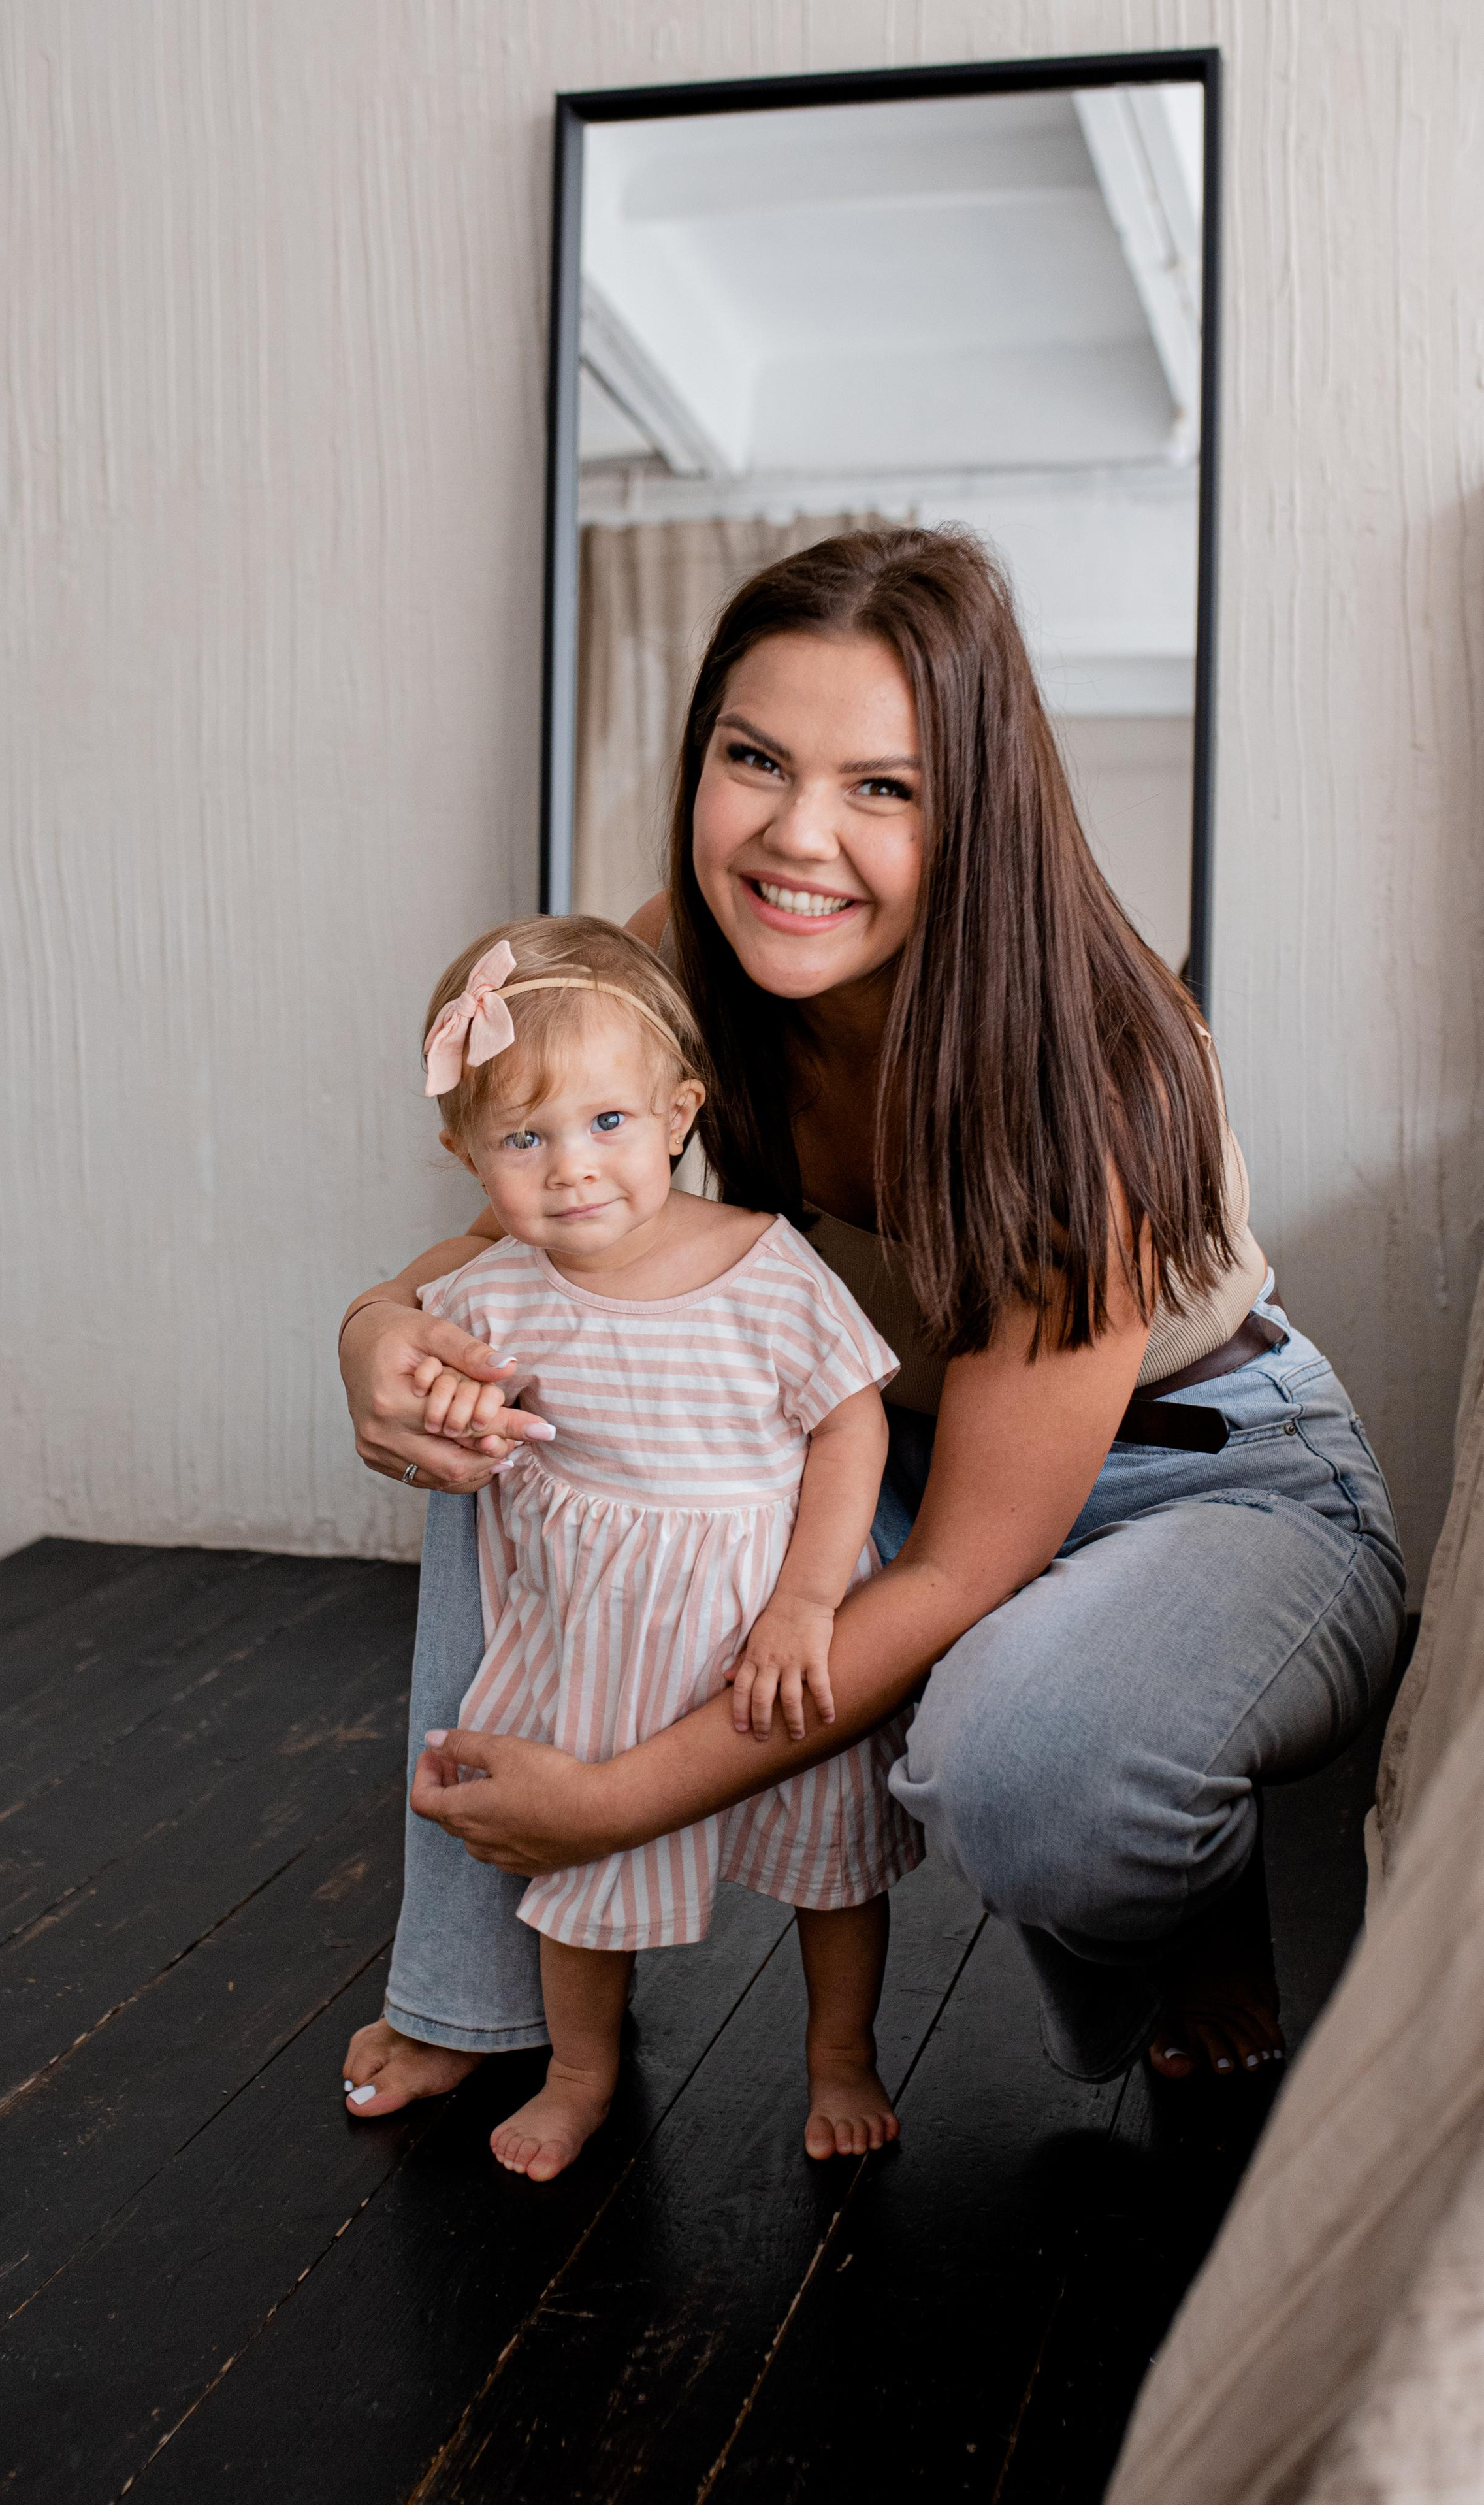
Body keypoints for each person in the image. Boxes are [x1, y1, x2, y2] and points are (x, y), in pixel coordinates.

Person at [340, 528, 1406, 2118]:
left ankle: (1176, 1867)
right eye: (752, 759)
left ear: (973, 811)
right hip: (877, 1447)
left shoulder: (1088, 1073)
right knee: (506, 1403)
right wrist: (377, 1330)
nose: (795, 836)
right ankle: (474, 1997)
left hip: (1212, 1477)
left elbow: (969, 1563)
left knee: (1029, 1776)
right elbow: (524, 1257)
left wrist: (613, 1802)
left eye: (881, 789)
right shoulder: (676, 966)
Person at [348, 916, 918, 2177]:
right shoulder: (500, 1286)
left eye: (608, 1124)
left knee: (831, 1861)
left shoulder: (763, 1265)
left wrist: (809, 1602)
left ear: (678, 1115)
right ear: (467, 1156)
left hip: (764, 1613)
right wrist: (448, 1394)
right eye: (524, 1139)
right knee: (578, 1870)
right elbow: (429, 1350)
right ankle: (582, 2070)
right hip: (594, 1633)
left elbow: (848, 1429)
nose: (572, 1171)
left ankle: (842, 2055)